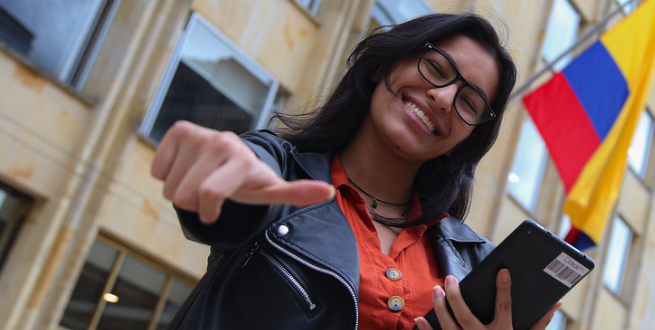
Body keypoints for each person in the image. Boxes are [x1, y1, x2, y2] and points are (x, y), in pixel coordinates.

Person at [152, 12, 561, 330]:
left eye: (469, 103)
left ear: (464, 143)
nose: (442, 97)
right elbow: (230, 200)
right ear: (381, 67)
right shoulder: (278, 173)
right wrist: (225, 172)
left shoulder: (476, 264)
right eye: (435, 69)